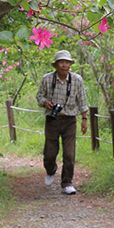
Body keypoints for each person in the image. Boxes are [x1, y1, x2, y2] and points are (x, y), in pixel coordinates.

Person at [35, 50, 89, 195]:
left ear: (70, 64)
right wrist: (45, 102)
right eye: (61, 62)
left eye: (67, 62)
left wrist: (84, 119)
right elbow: (39, 96)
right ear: (56, 65)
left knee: (69, 154)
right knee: (50, 153)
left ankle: (67, 182)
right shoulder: (47, 79)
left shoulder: (77, 80)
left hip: (70, 120)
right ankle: (51, 170)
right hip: (52, 120)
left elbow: (82, 101)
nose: (64, 65)